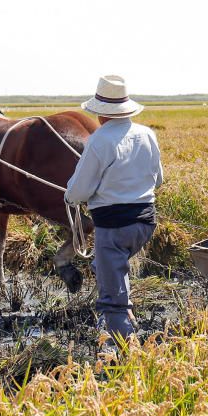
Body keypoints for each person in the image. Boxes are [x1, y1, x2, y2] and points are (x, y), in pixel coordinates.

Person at [64, 75, 164, 342]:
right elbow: (159, 180)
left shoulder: (99, 141)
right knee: (107, 266)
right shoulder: (147, 134)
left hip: (114, 229)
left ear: (100, 113)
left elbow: (80, 190)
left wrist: (69, 196)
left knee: (111, 300)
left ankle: (126, 353)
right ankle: (126, 310)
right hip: (145, 224)